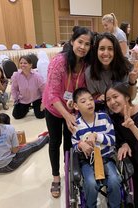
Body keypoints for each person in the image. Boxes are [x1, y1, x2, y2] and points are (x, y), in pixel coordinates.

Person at [42, 27, 93, 198]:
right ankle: (56, 177)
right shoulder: (59, 62)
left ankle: (69, 170)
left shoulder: (87, 64)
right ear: (72, 42)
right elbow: (53, 94)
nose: (83, 47)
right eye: (80, 42)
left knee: (70, 142)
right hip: (55, 109)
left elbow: (84, 89)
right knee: (55, 142)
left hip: (72, 109)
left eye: (87, 44)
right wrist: (67, 115)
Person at [71, 87, 122, 208]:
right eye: (83, 101)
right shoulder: (76, 125)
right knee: (90, 183)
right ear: (76, 106)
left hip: (106, 158)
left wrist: (97, 136)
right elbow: (74, 144)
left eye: (90, 99)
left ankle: (114, 205)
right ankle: (90, 205)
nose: (89, 103)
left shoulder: (104, 118)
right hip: (87, 161)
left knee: (114, 181)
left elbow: (112, 140)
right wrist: (80, 145)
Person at [85, 32, 138, 103]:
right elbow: (92, 95)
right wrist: (97, 96)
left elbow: (131, 97)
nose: (105, 53)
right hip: (102, 110)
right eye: (102, 49)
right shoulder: (90, 72)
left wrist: (132, 81)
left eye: (110, 49)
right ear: (96, 51)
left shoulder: (125, 67)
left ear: (116, 51)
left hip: (121, 109)